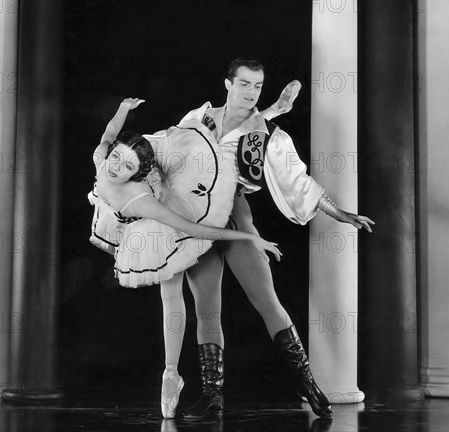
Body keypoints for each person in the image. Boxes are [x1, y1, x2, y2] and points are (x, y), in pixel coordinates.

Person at [150, 57, 374, 419]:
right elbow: (169, 148)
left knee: (269, 303)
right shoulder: (199, 118)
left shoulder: (271, 136)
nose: (251, 92)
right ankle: (212, 398)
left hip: (236, 222)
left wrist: (340, 213)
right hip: (195, 222)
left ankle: (308, 385)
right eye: (245, 84)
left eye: (257, 86)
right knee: (207, 312)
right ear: (228, 84)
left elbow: (299, 182)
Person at [87, 97, 283, 418]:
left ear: (137, 174)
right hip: (137, 212)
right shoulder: (103, 157)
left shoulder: (142, 201)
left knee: (171, 297)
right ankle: (172, 374)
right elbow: (110, 134)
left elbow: (195, 228)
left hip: (164, 215)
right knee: (192, 137)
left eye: (127, 166)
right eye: (118, 158)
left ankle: (170, 373)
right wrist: (123, 108)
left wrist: (248, 236)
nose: (116, 166)